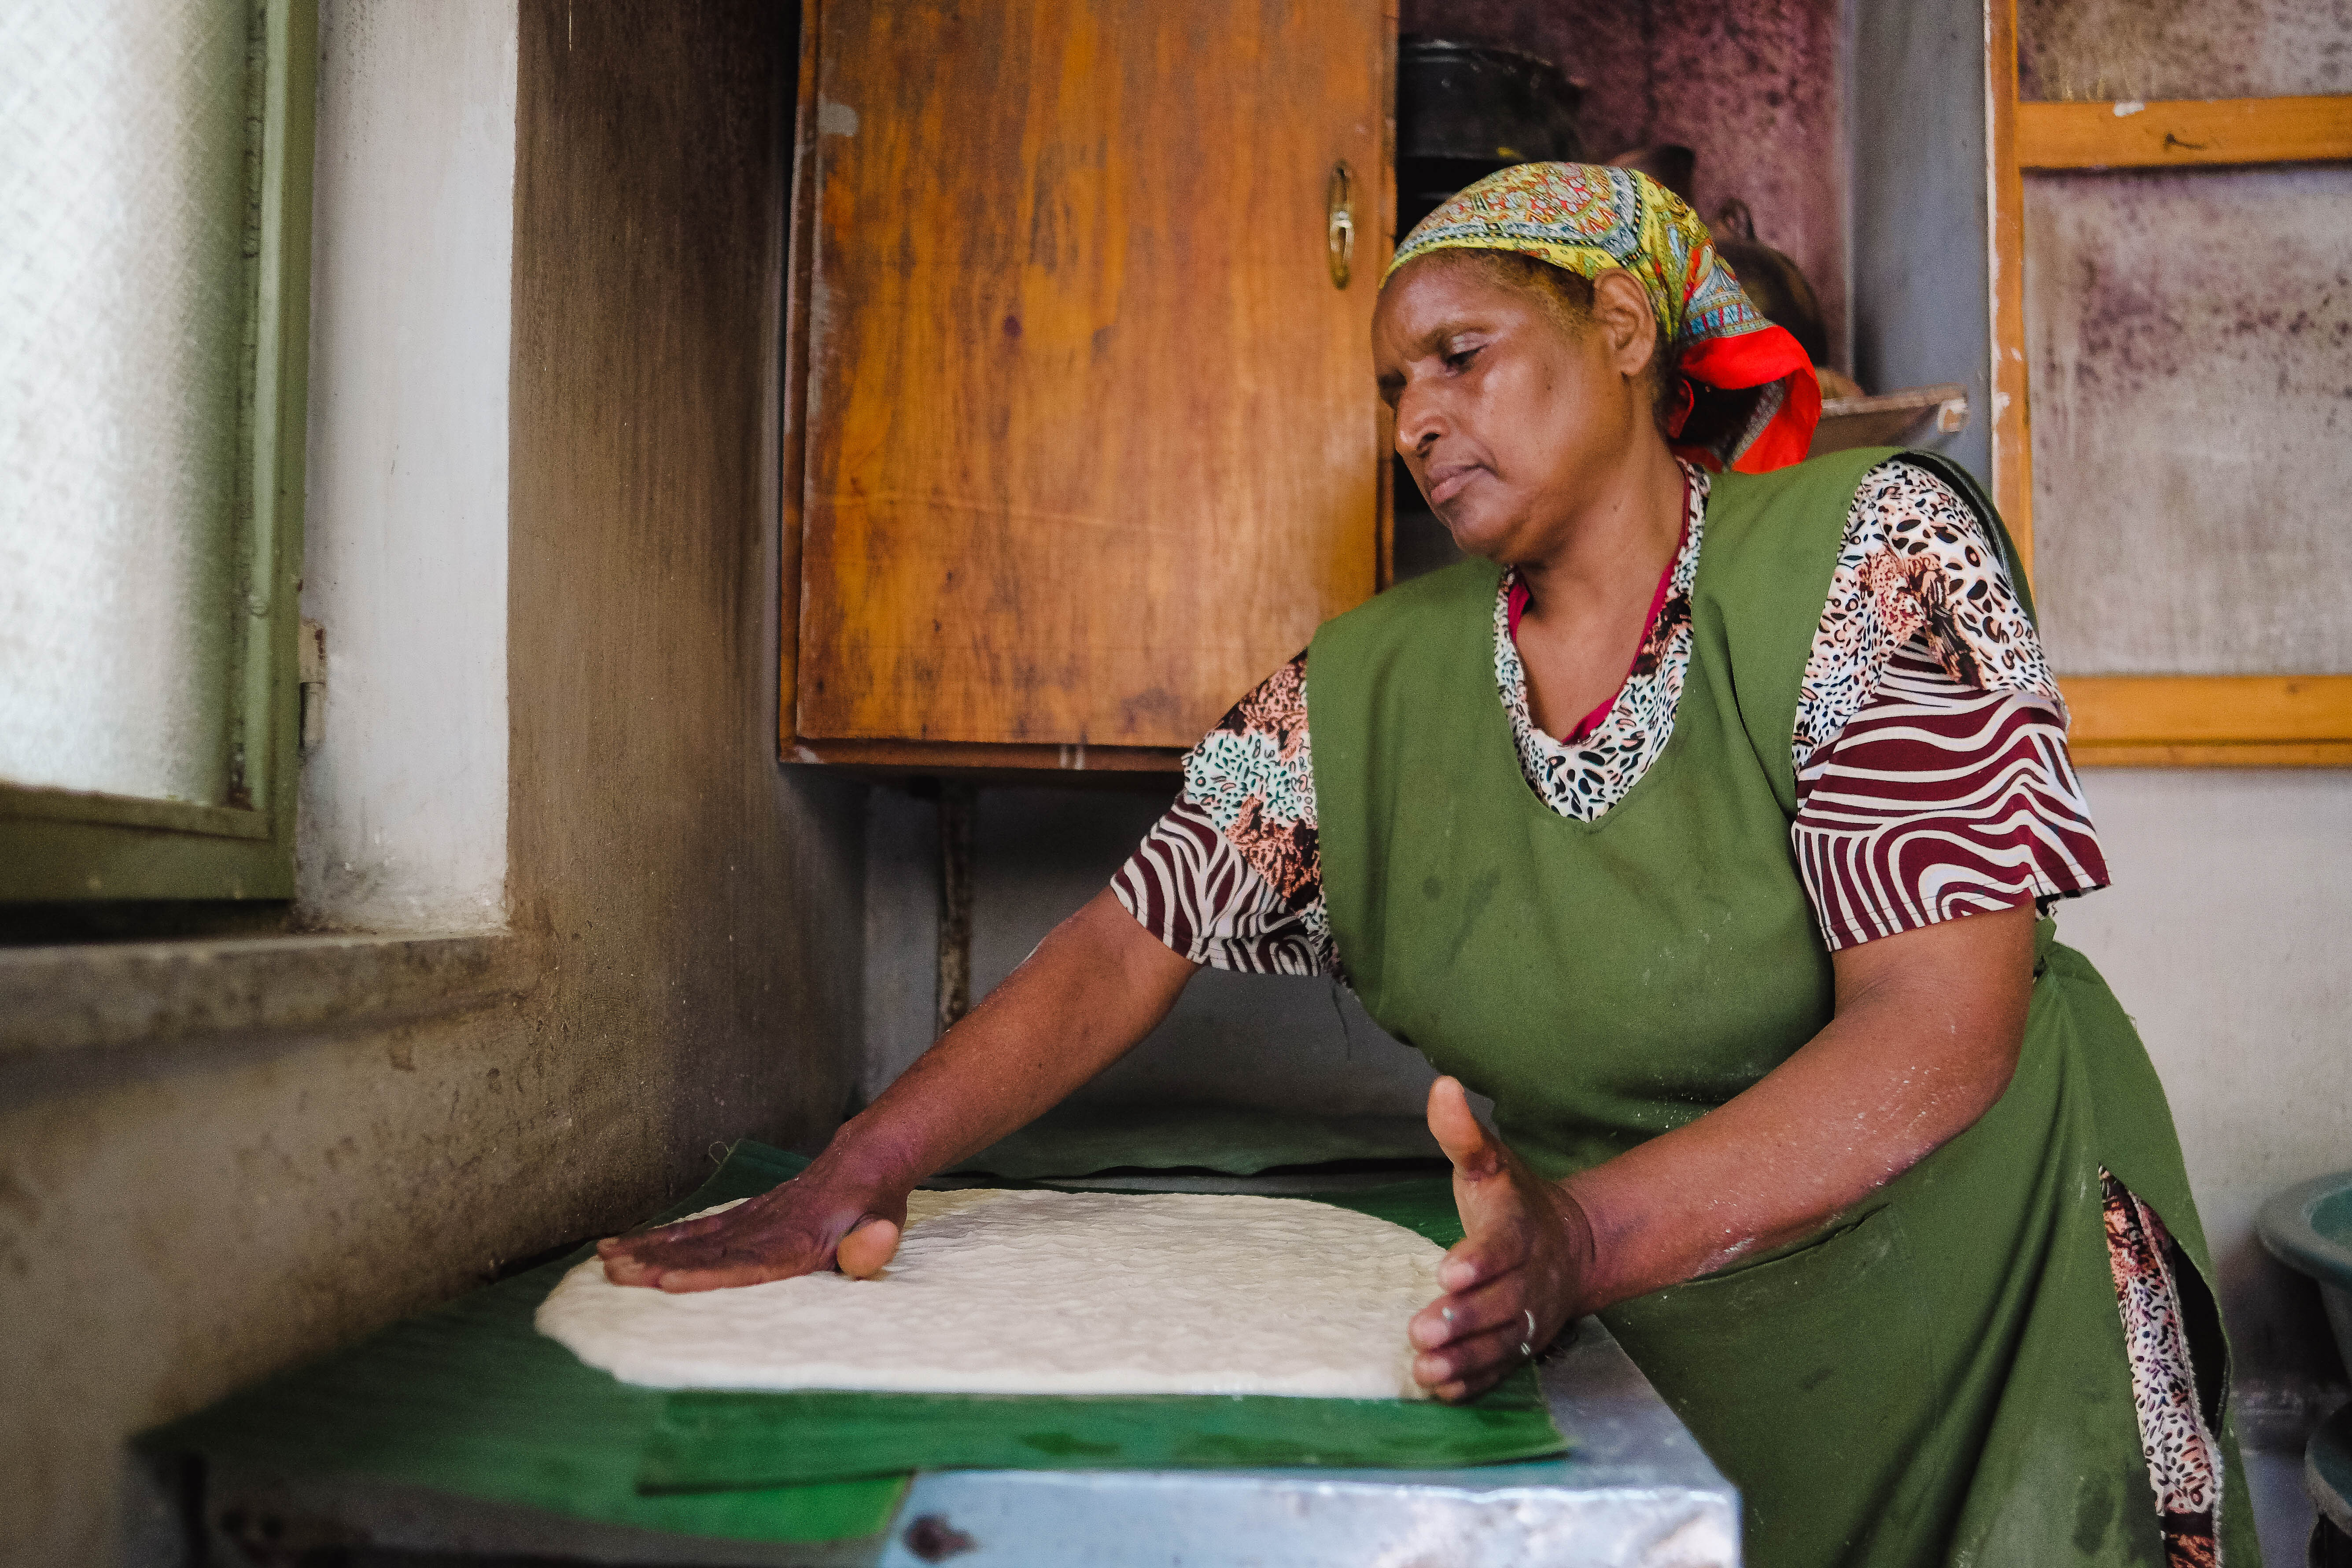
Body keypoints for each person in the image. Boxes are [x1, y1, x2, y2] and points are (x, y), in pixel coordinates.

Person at [598, 164, 2250, 1568]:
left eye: (1463, 356)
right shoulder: (1370, 693)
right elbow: (1122, 943)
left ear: (1623, 331)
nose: (1417, 422)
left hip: (1987, 1299)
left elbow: (1940, 1026)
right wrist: (861, 1162)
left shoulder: (1868, 559)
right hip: (1669, 1333)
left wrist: (1579, 1240)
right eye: (1396, 387)